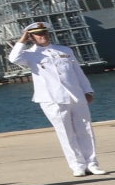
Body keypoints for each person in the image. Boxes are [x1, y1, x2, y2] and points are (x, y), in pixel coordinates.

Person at [8, 22, 104, 176]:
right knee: (66, 133)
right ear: (31, 37)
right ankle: (77, 165)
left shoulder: (64, 50)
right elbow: (13, 58)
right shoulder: (29, 55)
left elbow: (78, 72)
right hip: (52, 99)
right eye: (38, 34)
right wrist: (22, 39)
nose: (42, 36)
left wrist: (88, 90)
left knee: (85, 130)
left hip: (76, 96)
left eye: (44, 33)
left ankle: (92, 163)